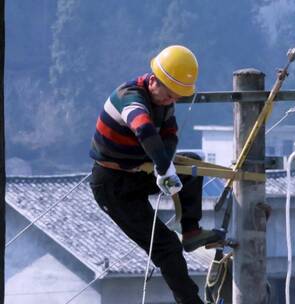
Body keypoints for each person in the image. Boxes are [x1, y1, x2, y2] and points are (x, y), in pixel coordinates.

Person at [89, 45, 220, 304]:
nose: (170, 101)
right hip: (113, 185)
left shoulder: (164, 103)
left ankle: (191, 230)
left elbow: (169, 135)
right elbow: (144, 129)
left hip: (139, 174)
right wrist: (163, 167)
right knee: (166, 247)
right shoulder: (130, 97)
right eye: (168, 95)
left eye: (176, 98)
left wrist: (166, 164)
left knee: (192, 165)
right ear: (153, 81)